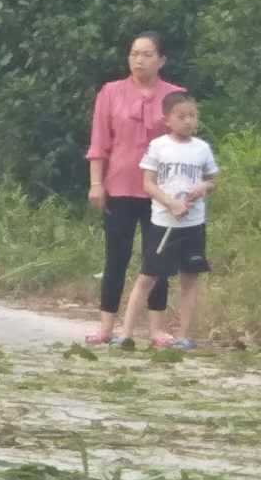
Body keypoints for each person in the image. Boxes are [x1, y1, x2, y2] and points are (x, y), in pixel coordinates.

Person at [86, 32, 185, 347]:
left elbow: (184, 140)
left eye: (147, 54)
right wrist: (96, 183)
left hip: (161, 190)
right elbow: (99, 142)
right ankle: (106, 325)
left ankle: (156, 328)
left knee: (157, 259)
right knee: (116, 255)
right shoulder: (111, 92)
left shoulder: (175, 95)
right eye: (134, 53)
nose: (139, 59)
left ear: (162, 60)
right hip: (120, 183)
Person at [119, 92, 218, 350]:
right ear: (167, 119)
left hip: (193, 224)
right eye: (181, 116)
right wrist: (171, 203)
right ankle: (126, 333)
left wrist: (204, 188)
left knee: (190, 277)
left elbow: (212, 180)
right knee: (148, 277)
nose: (188, 121)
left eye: (192, 116)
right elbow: (148, 184)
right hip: (163, 222)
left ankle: (183, 335)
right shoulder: (158, 146)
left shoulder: (202, 149)